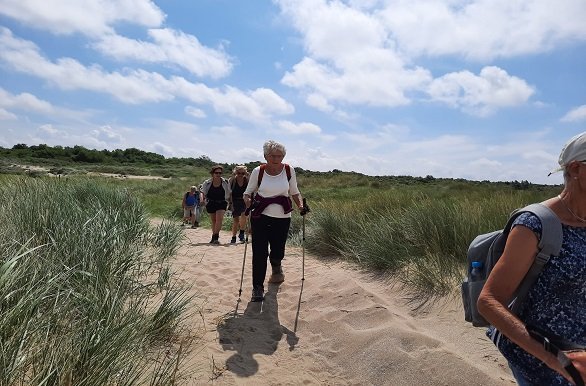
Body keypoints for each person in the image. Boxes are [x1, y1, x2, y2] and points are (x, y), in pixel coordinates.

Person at [477, 132, 586, 386]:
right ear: (576, 169)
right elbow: (488, 301)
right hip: (540, 359)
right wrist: (556, 360)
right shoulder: (535, 225)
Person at [243, 140, 307, 302]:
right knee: (259, 252)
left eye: (280, 156)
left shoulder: (288, 170)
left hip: (283, 217)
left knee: (278, 250)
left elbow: (294, 192)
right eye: (273, 156)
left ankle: (276, 265)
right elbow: (248, 192)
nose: (276, 159)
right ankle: (257, 288)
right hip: (260, 217)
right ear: (265, 156)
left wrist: (300, 206)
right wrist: (247, 200)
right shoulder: (259, 171)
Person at [201, 165, 231, 244]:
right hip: (211, 202)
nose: (218, 174)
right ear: (212, 173)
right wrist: (202, 200)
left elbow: (230, 192)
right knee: (213, 220)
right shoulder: (207, 183)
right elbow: (202, 192)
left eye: (220, 173)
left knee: (219, 219)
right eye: (216, 173)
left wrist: (231, 203)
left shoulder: (225, 182)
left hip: (222, 202)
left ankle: (216, 237)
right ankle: (213, 236)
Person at [228, 165, 249, 243]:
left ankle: (241, 234)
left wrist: (247, 174)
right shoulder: (232, 180)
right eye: (238, 173)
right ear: (236, 172)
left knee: (244, 216)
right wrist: (230, 203)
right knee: (236, 220)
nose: (240, 175)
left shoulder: (247, 180)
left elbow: (252, 186)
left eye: (242, 173)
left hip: (244, 201)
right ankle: (233, 237)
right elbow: (229, 192)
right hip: (234, 201)